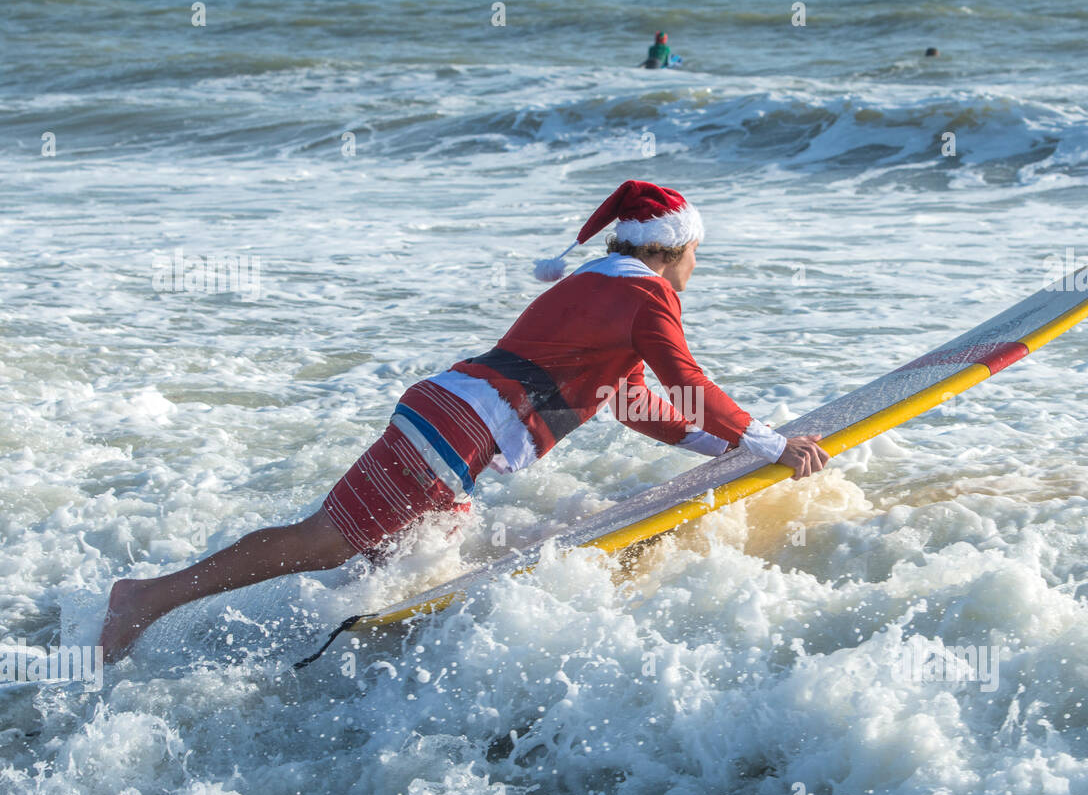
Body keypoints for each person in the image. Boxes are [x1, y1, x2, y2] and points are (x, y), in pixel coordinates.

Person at [99, 180, 830, 662]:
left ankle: (304, 645)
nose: (698, 267)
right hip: (454, 435)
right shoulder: (647, 296)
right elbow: (686, 379)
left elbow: (642, 405)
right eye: (698, 254)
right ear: (677, 248)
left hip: (449, 421)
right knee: (323, 540)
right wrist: (768, 442)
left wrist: (725, 448)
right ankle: (148, 599)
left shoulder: (599, 285)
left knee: (412, 561)